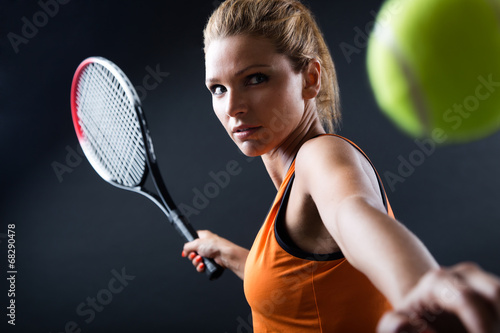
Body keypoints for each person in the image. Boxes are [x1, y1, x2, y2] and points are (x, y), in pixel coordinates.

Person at [181, 0, 500, 331]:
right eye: (218, 88)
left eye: (255, 78)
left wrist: (421, 284)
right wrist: (228, 253)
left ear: (310, 78)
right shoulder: (293, 191)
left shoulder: (320, 156)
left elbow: (353, 212)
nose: (232, 107)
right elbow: (302, 288)